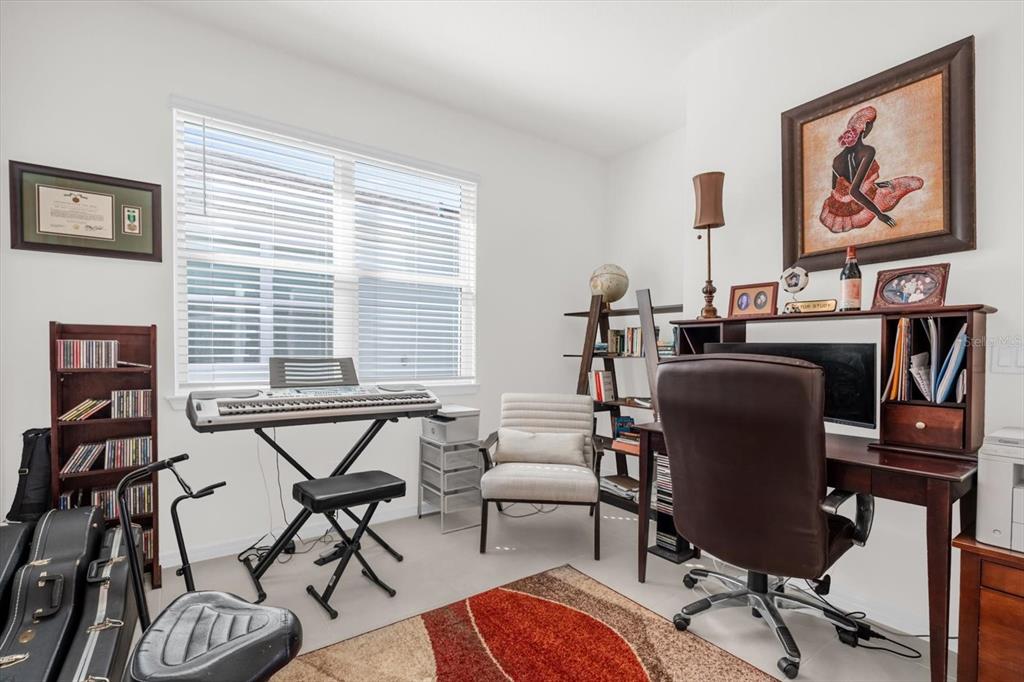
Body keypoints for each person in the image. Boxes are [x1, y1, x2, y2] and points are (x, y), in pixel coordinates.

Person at [819, 106, 923, 233]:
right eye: (871, 125)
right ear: (866, 126)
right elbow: (854, 191)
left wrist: (874, 185)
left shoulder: (837, 159)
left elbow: (837, 188)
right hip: (859, 205)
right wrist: (880, 215)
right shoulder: (867, 151)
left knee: (894, 185)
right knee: (904, 185)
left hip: (839, 208)